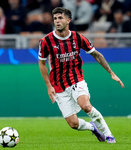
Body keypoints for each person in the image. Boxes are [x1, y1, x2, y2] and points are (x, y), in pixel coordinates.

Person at [38, 7, 124, 144]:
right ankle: (93, 127)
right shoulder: (46, 41)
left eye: (60, 18)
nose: (57, 21)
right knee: (73, 124)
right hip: (58, 86)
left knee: (86, 106)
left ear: (68, 20)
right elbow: (42, 63)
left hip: (76, 79)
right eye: (55, 18)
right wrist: (49, 86)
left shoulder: (78, 38)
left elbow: (96, 54)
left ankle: (109, 135)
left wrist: (112, 73)